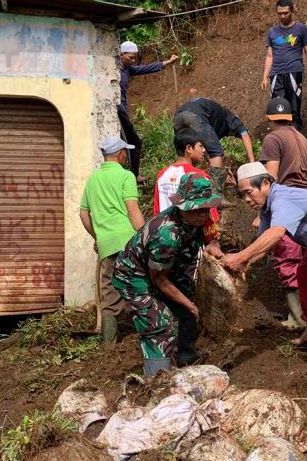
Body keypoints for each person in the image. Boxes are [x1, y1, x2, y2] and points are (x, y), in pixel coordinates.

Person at [225, 163, 307, 373]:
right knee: (304, 275)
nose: (246, 200)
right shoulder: (266, 207)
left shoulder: (282, 200)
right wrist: (246, 262)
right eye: (242, 195)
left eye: (248, 193)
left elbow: (277, 233)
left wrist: (241, 256)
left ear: (265, 183)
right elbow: (266, 242)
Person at [111, 174, 223, 376]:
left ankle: (186, 357)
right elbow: (159, 280)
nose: (203, 215)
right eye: (197, 210)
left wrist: (214, 244)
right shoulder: (167, 234)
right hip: (134, 275)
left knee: (186, 310)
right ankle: (156, 378)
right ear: (182, 206)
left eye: (206, 209)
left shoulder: (201, 218)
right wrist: (190, 305)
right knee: (158, 323)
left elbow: (211, 233)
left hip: (169, 269)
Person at [80, 136, 145, 344]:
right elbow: (132, 209)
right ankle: (147, 335)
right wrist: (144, 235)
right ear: (120, 154)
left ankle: (109, 346)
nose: (127, 155)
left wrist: (98, 237)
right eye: (125, 152)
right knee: (138, 283)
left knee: (109, 291)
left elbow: (83, 215)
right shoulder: (126, 176)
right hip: (127, 240)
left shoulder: (92, 180)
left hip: (107, 244)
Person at [259, 97, 307, 329]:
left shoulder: (272, 138)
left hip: (286, 201)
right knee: (304, 258)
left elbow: (269, 178)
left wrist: (262, 209)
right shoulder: (303, 139)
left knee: (287, 256)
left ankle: (297, 317)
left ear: (269, 119)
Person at [119, 40, 178, 182]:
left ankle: (130, 174)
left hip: (122, 111)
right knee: (134, 141)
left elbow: (145, 68)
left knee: (125, 143)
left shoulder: (128, 69)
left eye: (135, 58)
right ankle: (133, 175)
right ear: (121, 54)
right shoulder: (112, 70)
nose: (133, 61)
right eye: (130, 57)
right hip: (117, 111)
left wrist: (167, 62)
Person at [173, 97, 255, 199]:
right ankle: (216, 197)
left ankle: (188, 192)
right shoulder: (231, 119)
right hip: (194, 116)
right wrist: (252, 162)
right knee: (217, 152)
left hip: (178, 116)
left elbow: (208, 152)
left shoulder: (213, 118)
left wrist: (222, 170)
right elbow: (245, 134)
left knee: (188, 155)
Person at [153, 128, 221, 244]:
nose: (204, 151)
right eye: (200, 146)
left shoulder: (162, 175)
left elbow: (157, 210)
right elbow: (209, 214)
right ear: (189, 148)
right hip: (193, 239)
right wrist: (213, 240)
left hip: (166, 237)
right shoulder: (199, 176)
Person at [261, 0, 307, 131]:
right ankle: (280, 137)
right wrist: (265, 76)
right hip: (276, 75)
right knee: (278, 107)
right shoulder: (272, 32)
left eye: (285, 13)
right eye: (279, 13)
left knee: (293, 106)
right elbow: (269, 56)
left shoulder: (301, 29)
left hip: (294, 72)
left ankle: (296, 135)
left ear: (292, 11)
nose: (282, 16)